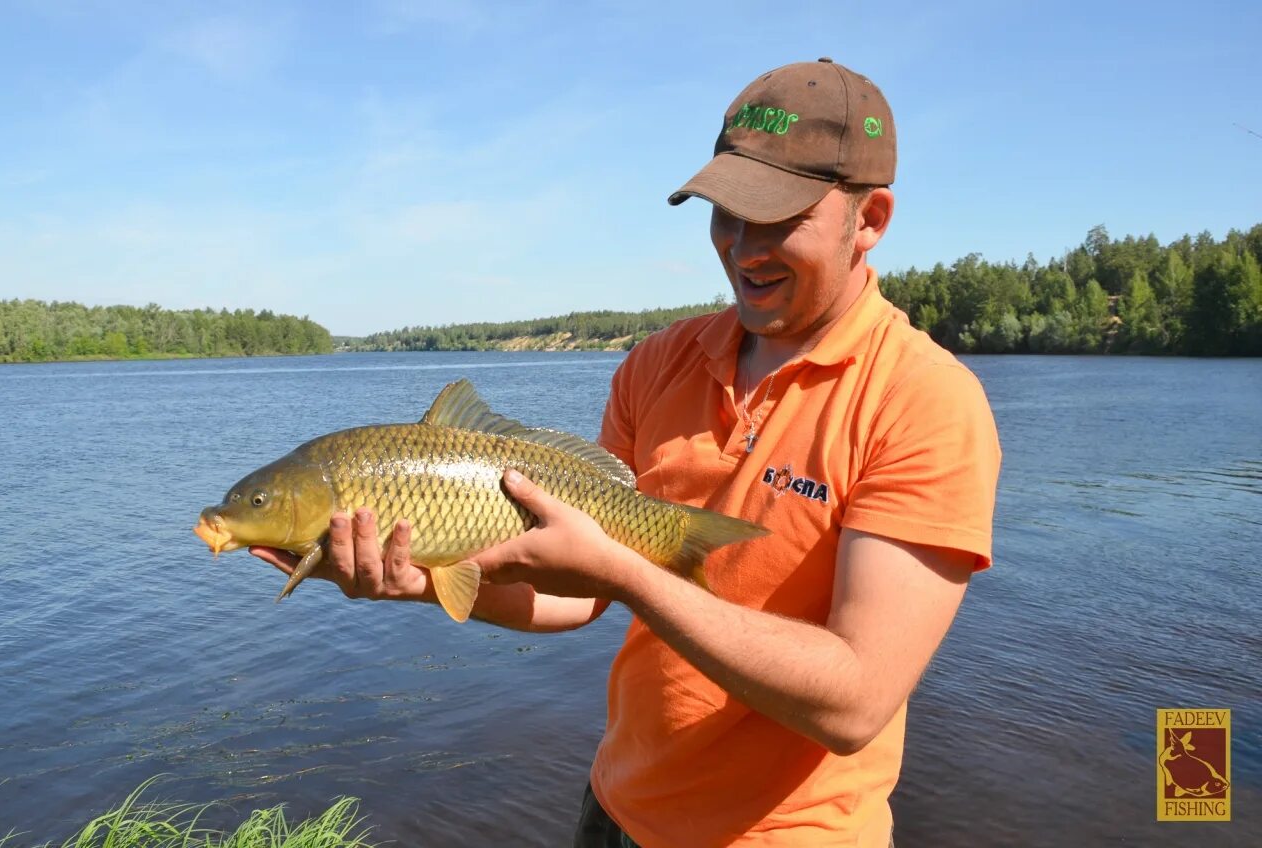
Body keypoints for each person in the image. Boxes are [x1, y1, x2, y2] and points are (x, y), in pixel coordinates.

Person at [252, 58, 1001, 848]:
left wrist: (629, 573)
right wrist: (421, 581)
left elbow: (855, 702)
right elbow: (580, 597)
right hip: (617, 813)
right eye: (725, 213)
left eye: (778, 218)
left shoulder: (924, 401)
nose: (743, 247)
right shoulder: (658, 363)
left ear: (871, 218)